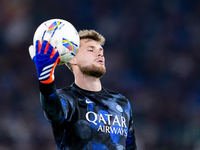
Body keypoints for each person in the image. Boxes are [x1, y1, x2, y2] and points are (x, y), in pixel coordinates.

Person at [29, 29, 137, 150]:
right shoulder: (68, 99)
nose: (100, 54)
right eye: (91, 50)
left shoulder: (121, 102)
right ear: (72, 59)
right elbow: (53, 110)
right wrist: (46, 80)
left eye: (101, 50)